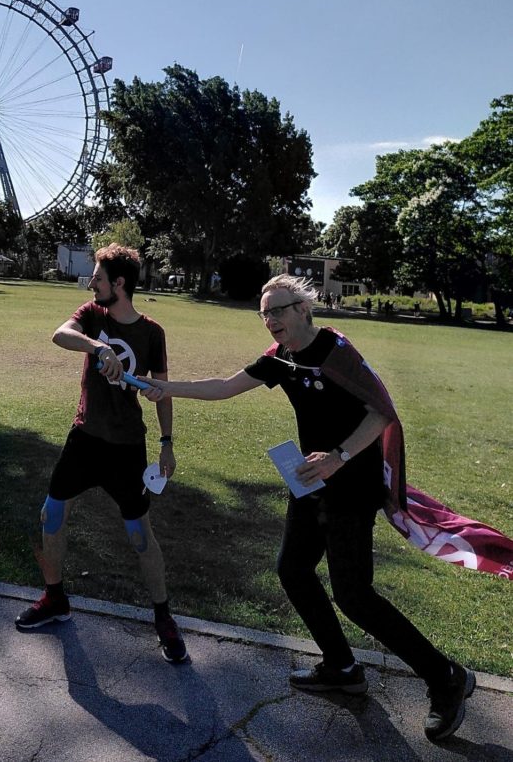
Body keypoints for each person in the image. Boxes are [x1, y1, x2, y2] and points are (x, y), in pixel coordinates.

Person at [139, 274, 474, 740]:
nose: (270, 320)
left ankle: (446, 678)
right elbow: (222, 386)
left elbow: (380, 412)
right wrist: (166, 389)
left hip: (350, 485)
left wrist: (338, 458)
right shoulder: (279, 361)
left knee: (354, 595)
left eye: (278, 309)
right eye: (264, 312)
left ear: (303, 308)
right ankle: (341, 666)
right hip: (309, 482)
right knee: (293, 571)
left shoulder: (337, 350)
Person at [15, 243, 188, 663]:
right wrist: (98, 347)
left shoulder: (152, 333)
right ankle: (55, 598)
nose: (91, 281)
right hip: (85, 439)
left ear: (120, 283)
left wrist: (166, 442)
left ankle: (163, 618)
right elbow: (60, 334)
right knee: (52, 513)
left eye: (98, 276)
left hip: (127, 447)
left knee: (139, 535)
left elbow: (162, 393)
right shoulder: (92, 316)